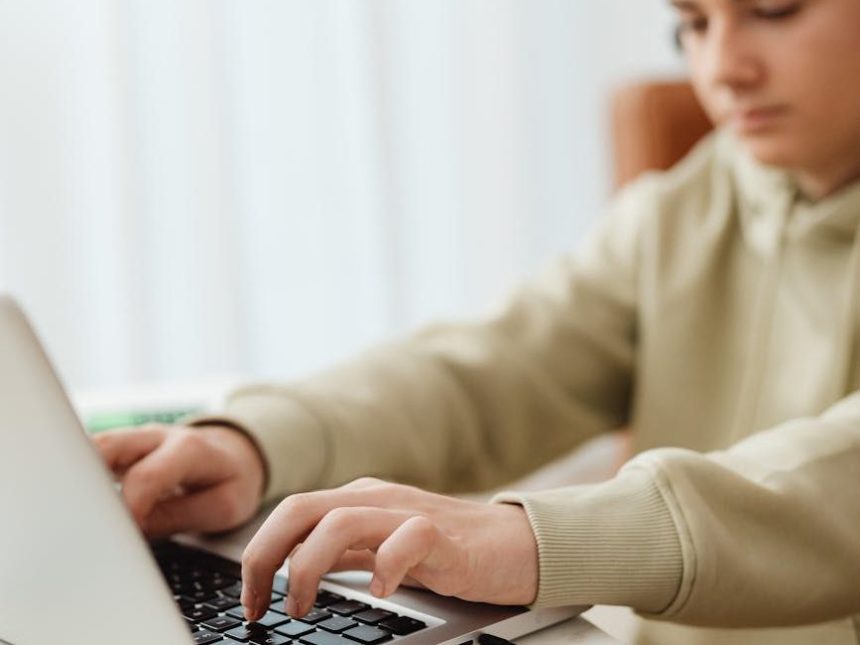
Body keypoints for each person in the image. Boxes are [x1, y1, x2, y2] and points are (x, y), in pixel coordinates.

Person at [94, 0, 860, 642]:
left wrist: (536, 538)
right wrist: (261, 441)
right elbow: (495, 368)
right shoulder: (686, 207)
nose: (722, 69)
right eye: (691, 23)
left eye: (773, 9)